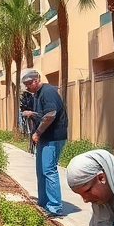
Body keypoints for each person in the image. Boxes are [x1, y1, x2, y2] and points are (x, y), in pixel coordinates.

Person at [20, 69, 67, 217]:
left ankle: (55, 207)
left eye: (28, 84)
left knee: (49, 170)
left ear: (36, 80)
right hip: (44, 138)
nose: (27, 87)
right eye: (25, 85)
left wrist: (38, 132)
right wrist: (32, 114)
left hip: (52, 138)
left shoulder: (48, 92)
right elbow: (43, 114)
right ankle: (44, 202)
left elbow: (50, 114)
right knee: (41, 170)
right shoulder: (38, 94)